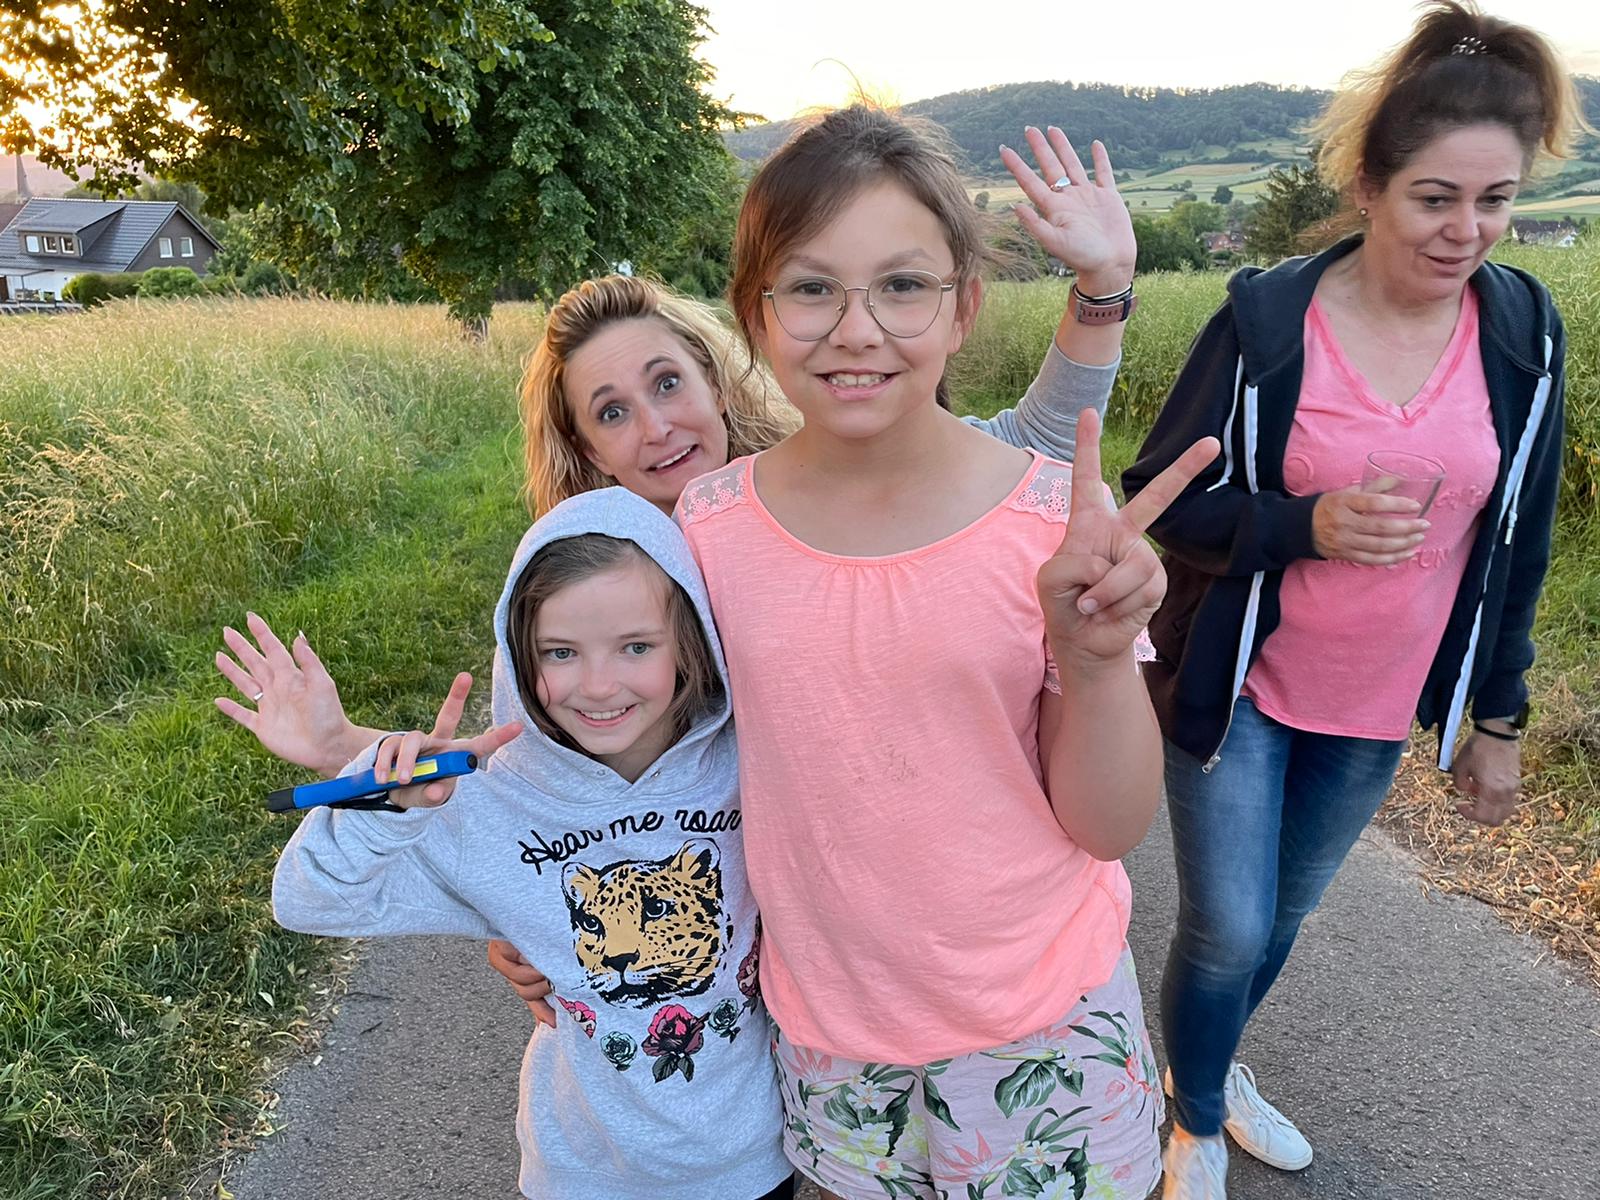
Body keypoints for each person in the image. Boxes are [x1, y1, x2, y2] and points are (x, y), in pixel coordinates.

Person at [216, 122, 1143, 1015]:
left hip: (959, 954)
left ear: (716, 373)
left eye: (666, 384)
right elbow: (549, 779)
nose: (656, 428)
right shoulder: (618, 579)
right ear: (587, 451)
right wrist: (525, 921)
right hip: (772, 976)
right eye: (611, 412)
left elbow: (1030, 456)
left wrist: (1101, 292)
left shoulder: (839, 467)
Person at [676, 105, 1216, 1200]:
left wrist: (1096, 660)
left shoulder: (1050, 524)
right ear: (753, 312)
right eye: (811, 287)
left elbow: (1108, 826)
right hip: (830, 1038)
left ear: (964, 307)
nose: (856, 329)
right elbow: (668, 768)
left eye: (903, 285)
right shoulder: (706, 530)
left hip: (1048, 1026)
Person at [1120, 4, 1579, 1195]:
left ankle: (1205, 1071)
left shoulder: (1523, 332)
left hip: (1376, 704)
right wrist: (1302, 525)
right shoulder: (1266, 324)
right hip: (1242, 684)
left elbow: (1519, 541)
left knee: (1278, 923)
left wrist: (1497, 717)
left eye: (1495, 199)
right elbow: (1161, 499)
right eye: (1435, 198)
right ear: (1368, 186)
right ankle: (1191, 1121)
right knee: (1226, 925)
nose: (1466, 230)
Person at [272, 488, 795, 1200]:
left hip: (750, 1161)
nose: (599, 686)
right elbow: (309, 902)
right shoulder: (490, 804)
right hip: (586, 1174)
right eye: (561, 653)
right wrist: (380, 802)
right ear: (520, 659)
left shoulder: (745, 763)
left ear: (691, 643)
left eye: (636, 646)